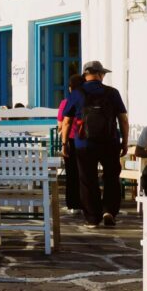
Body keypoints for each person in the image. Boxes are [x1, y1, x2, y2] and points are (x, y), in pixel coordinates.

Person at [59, 60, 129, 227]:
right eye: (103, 73)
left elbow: (67, 122)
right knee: (111, 177)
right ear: (99, 74)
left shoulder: (76, 93)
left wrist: (64, 144)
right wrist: (124, 141)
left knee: (87, 179)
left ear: (85, 74)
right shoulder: (112, 92)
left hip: (84, 144)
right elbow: (123, 120)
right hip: (110, 142)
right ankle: (109, 211)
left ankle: (92, 218)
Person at [57, 73, 84, 214]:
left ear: (69, 88)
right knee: (85, 173)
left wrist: (64, 143)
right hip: (86, 140)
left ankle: (72, 204)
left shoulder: (65, 103)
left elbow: (61, 125)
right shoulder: (87, 100)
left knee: (71, 173)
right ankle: (86, 203)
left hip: (71, 140)